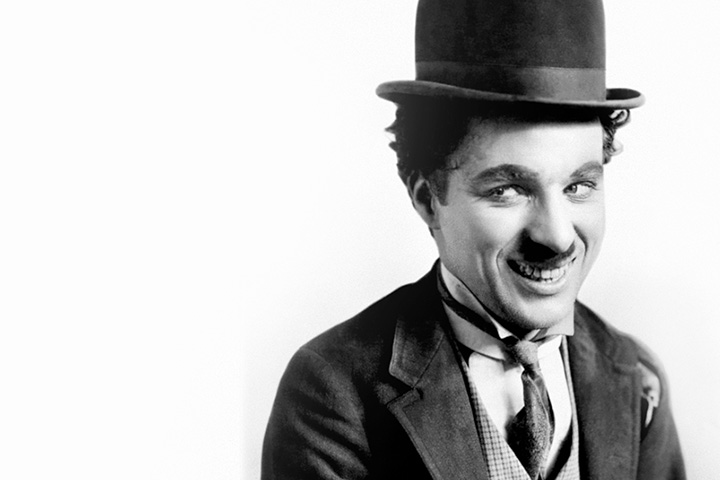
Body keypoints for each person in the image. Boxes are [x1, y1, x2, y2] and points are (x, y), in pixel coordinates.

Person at [262, 0, 686, 478]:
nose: (557, 236)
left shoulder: (637, 378)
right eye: (507, 190)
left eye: (579, 186)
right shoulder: (334, 392)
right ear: (427, 199)